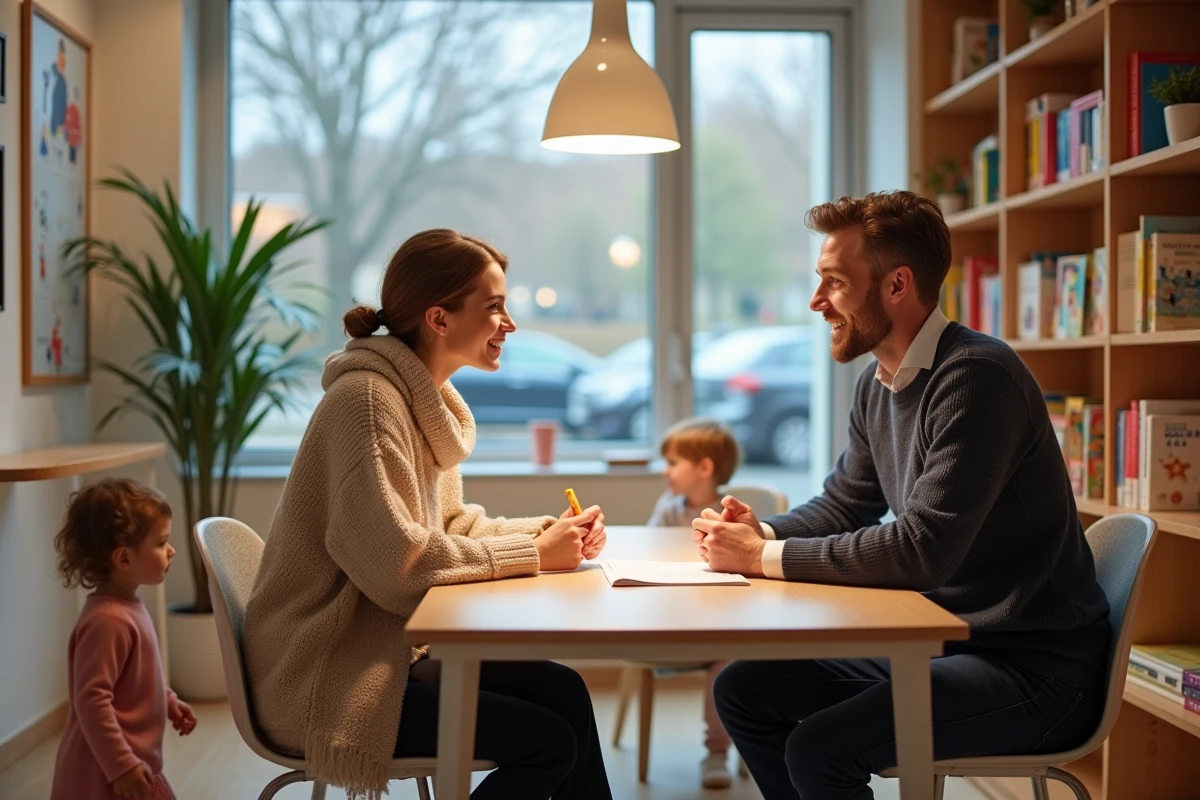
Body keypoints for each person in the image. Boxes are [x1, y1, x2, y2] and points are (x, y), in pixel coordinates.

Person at [692, 191, 1111, 800]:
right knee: (743, 691)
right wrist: (764, 534)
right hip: (946, 642)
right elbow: (845, 504)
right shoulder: (878, 382)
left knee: (817, 747)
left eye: (834, 283)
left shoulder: (976, 377)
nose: (817, 302)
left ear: (896, 285)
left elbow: (921, 552)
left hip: (1035, 668)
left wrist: (756, 560)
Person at [243, 229, 613, 800]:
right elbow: (399, 566)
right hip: (331, 670)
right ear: (439, 319)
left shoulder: (415, 399)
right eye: (494, 307)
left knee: (564, 691)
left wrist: (542, 533)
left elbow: (448, 529)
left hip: (384, 649)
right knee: (548, 743)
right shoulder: (367, 403)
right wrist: (533, 556)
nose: (509, 323)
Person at [50, 478, 197, 800]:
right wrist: (121, 766)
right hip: (107, 772)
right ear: (124, 559)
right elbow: (91, 700)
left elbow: (133, 680)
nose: (170, 550)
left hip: (133, 761)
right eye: (160, 543)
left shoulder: (125, 607)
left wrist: (167, 700)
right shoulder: (109, 621)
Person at [646, 417, 740, 789]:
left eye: (672, 462)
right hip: (673, 615)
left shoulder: (732, 515)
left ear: (704, 468)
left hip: (720, 621)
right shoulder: (668, 509)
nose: (665, 471)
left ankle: (716, 751)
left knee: (728, 662)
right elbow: (648, 552)